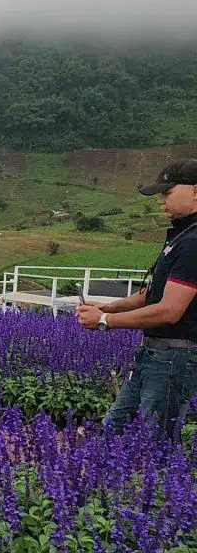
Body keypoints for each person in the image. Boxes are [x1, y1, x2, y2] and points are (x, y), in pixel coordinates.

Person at [77, 159, 197, 440]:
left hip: (173, 359)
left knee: (155, 443)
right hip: (155, 355)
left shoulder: (193, 243)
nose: (161, 201)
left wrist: (105, 321)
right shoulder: (182, 238)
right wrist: (106, 306)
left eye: (167, 192)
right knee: (113, 433)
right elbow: (151, 296)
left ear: (195, 191)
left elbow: (169, 311)